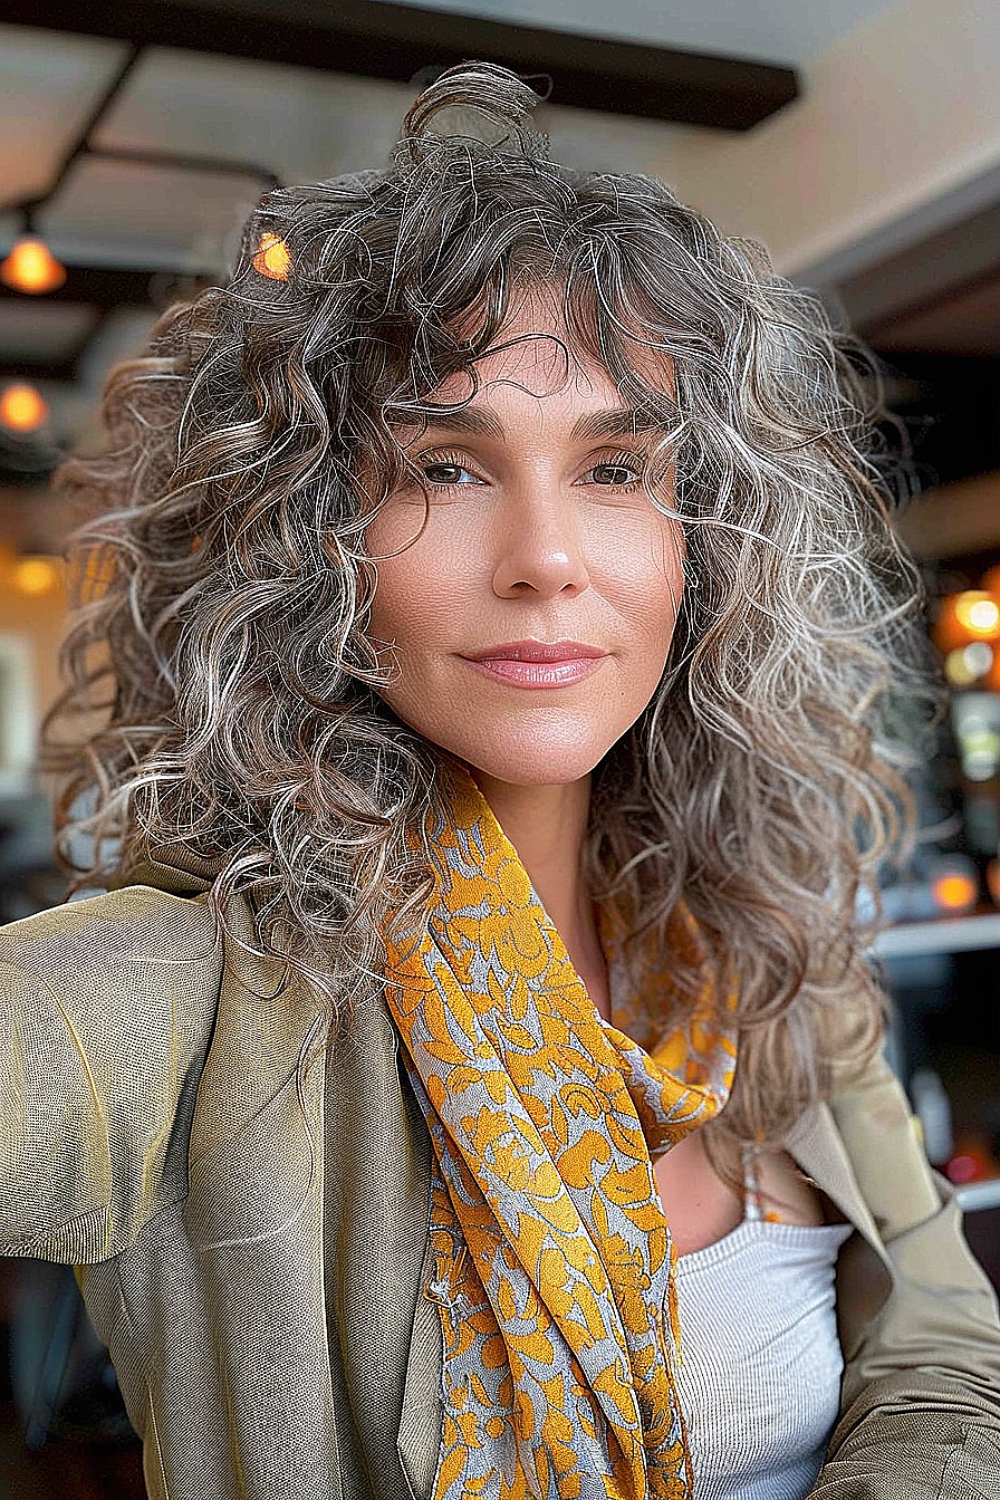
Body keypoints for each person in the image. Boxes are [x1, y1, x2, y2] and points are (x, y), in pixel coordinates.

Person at [1, 60, 998, 1500]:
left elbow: (947, 1342)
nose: (546, 556)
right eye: (445, 470)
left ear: (700, 542)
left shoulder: (766, 937)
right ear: (303, 548)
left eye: (614, 469)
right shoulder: (198, 993)